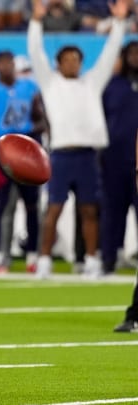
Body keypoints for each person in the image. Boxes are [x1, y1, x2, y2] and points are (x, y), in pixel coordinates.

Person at [28, 0, 128, 278]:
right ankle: (44, 259)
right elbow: (35, 52)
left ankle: (92, 260)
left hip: (87, 156)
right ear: (58, 64)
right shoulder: (50, 84)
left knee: (89, 211)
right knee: (54, 210)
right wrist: (36, 21)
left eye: (77, 60)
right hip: (61, 155)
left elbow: (109, 55)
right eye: (67, 60)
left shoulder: (92, 83)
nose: (73, 63)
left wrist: (119, 22)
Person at [0, 50, 43, 274]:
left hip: (26, 146)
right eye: (2, 63)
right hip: (3, 149)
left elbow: (40, 119)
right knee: (1, 205)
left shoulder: (29, 88)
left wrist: (36, 142)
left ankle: (32, 255)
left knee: (32, 205)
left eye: (9, 62)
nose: (6, 66)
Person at [100, 41, 138, 274]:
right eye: (132, 53)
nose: (136, 58)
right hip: (113, 159)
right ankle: (110, 257)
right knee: (113, 212)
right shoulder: (111, 86)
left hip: (137, 162)